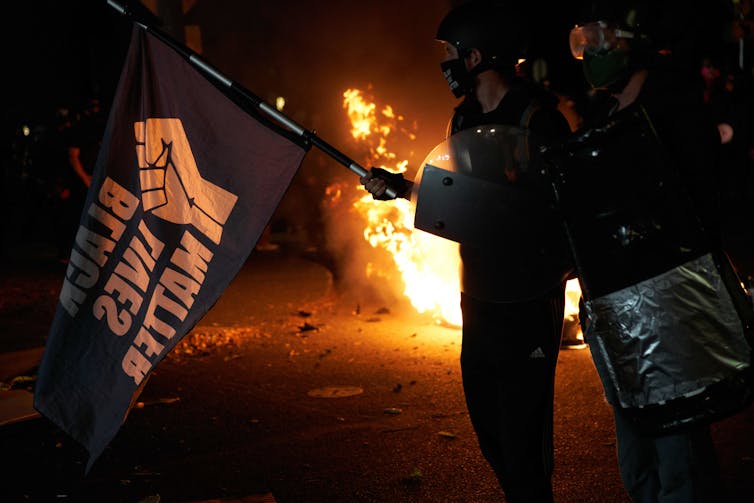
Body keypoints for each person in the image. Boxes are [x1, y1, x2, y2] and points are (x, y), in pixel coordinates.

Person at [361, 2, 574, 501]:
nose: (447, 64)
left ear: (477, 57)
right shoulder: (464, 121)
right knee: (489, 425)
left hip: (529, 298)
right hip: (477, 294)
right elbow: (459, 200)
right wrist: (402, 188)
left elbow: (565, 209)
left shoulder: (537, 119)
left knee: (525, 435)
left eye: (451, 53)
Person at [551, 2, 754, 501]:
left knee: (677, 438)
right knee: (636, 449)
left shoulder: (673, 103)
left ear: (631, 36)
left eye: (600, 37)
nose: (592, 51)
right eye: (584, 40)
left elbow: (698, 198)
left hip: (671, 300)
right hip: (620, 306)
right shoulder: (600, 113)